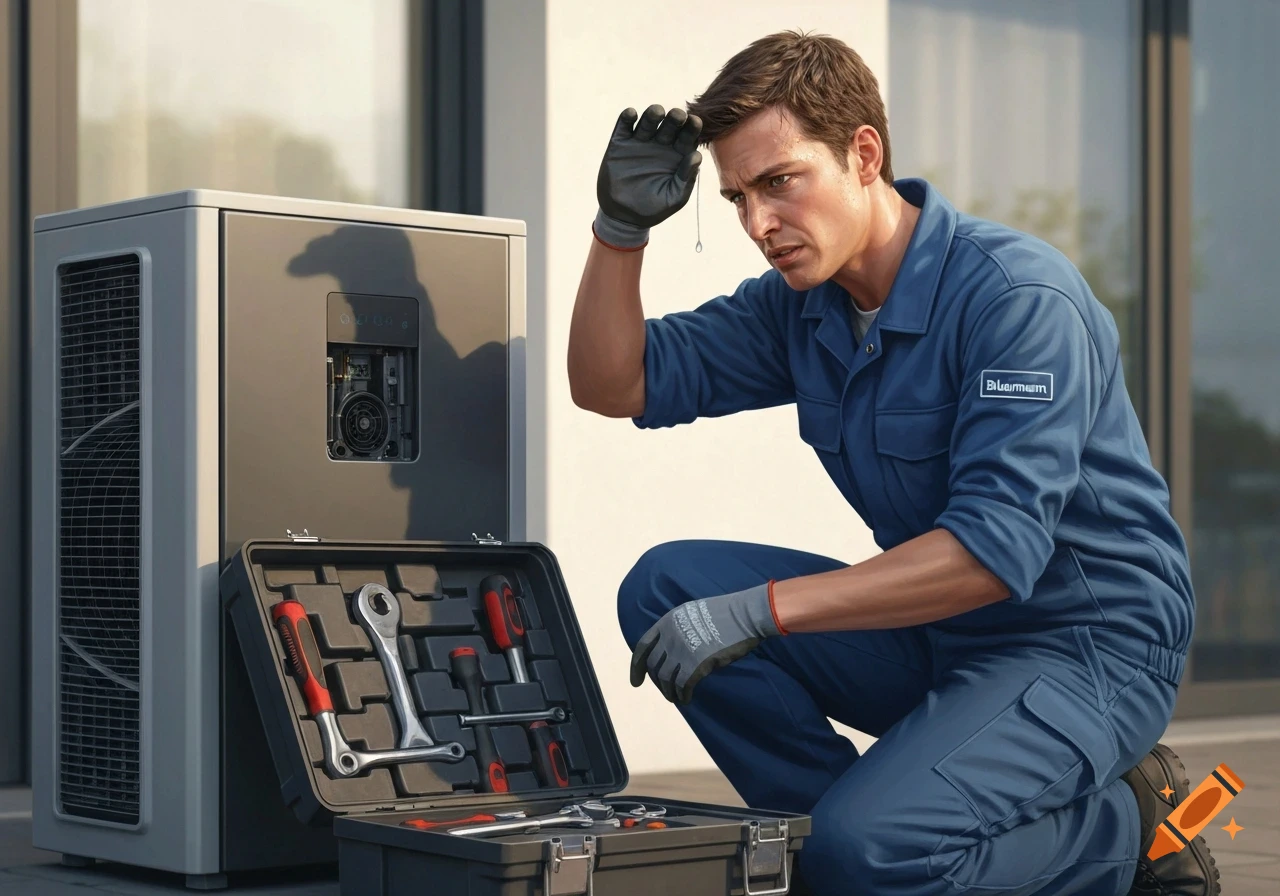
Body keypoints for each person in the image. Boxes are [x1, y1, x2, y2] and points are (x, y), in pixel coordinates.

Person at [568, 28, 1220, 896]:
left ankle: (1134, 829)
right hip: (943, 634)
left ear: (863, 154)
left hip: (1085, 651)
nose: (759, 224)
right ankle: (842, 849)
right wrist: (619, 232)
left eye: (778, 183)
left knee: (869, 847)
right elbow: (614, 382)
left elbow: (994, 553)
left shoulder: (1017, 300)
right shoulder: (802, 307)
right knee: (667, 591)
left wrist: (763, 612)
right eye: (734, 198)